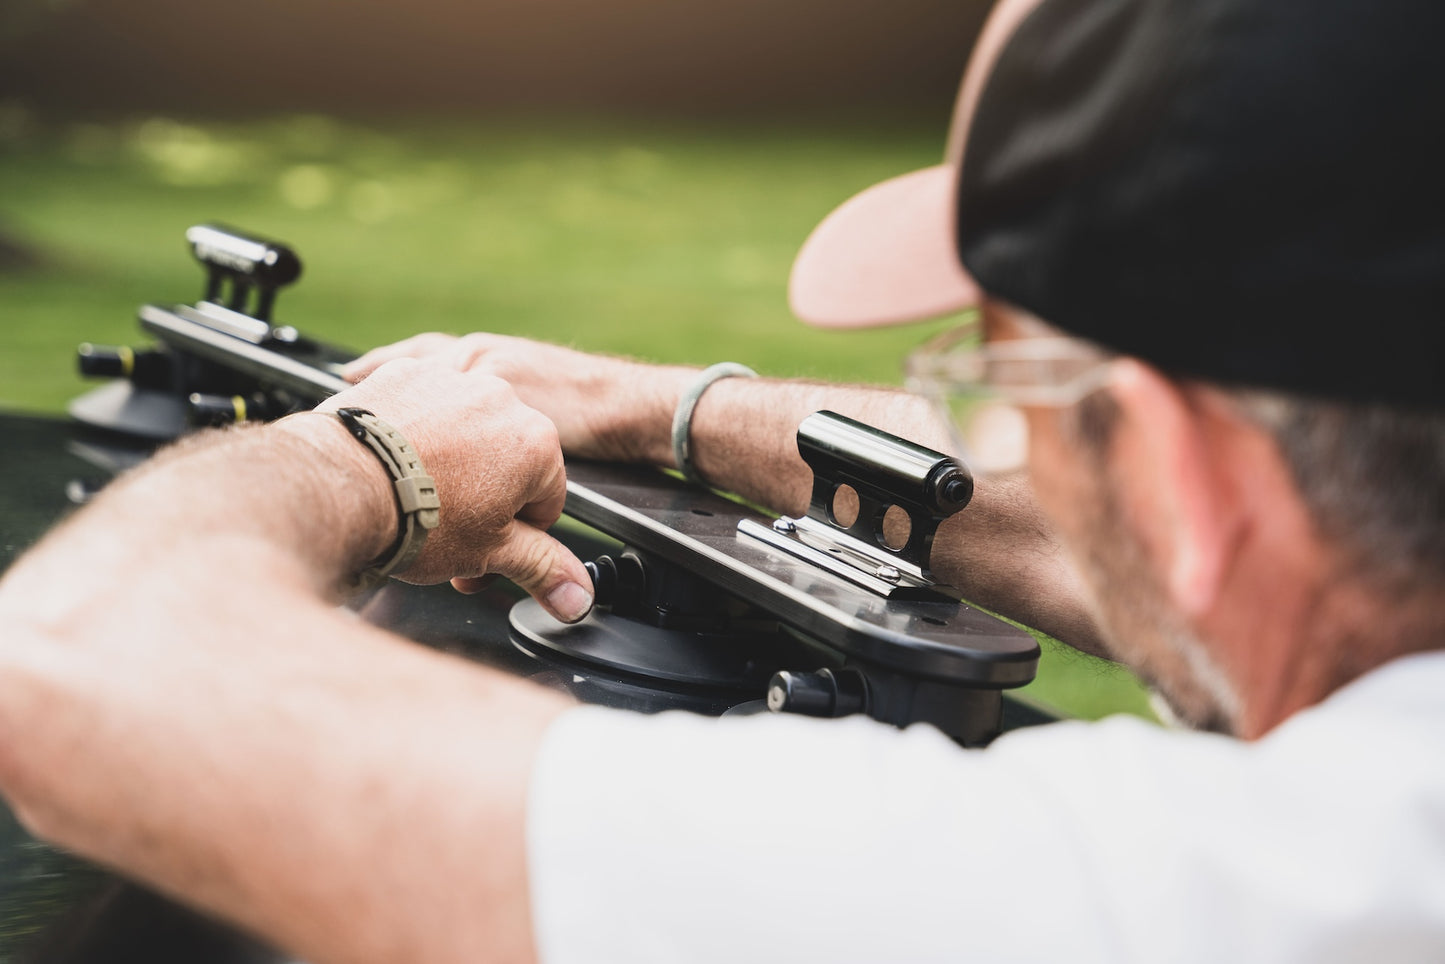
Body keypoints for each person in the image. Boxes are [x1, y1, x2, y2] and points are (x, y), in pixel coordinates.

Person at [2, 0, 1443, 960]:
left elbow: (73, 671)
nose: (1008, 454)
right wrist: (668, 413)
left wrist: (369, 457)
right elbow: (1173, 541)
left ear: (1191, 480)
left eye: (1008, 398)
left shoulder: (1201, 902)